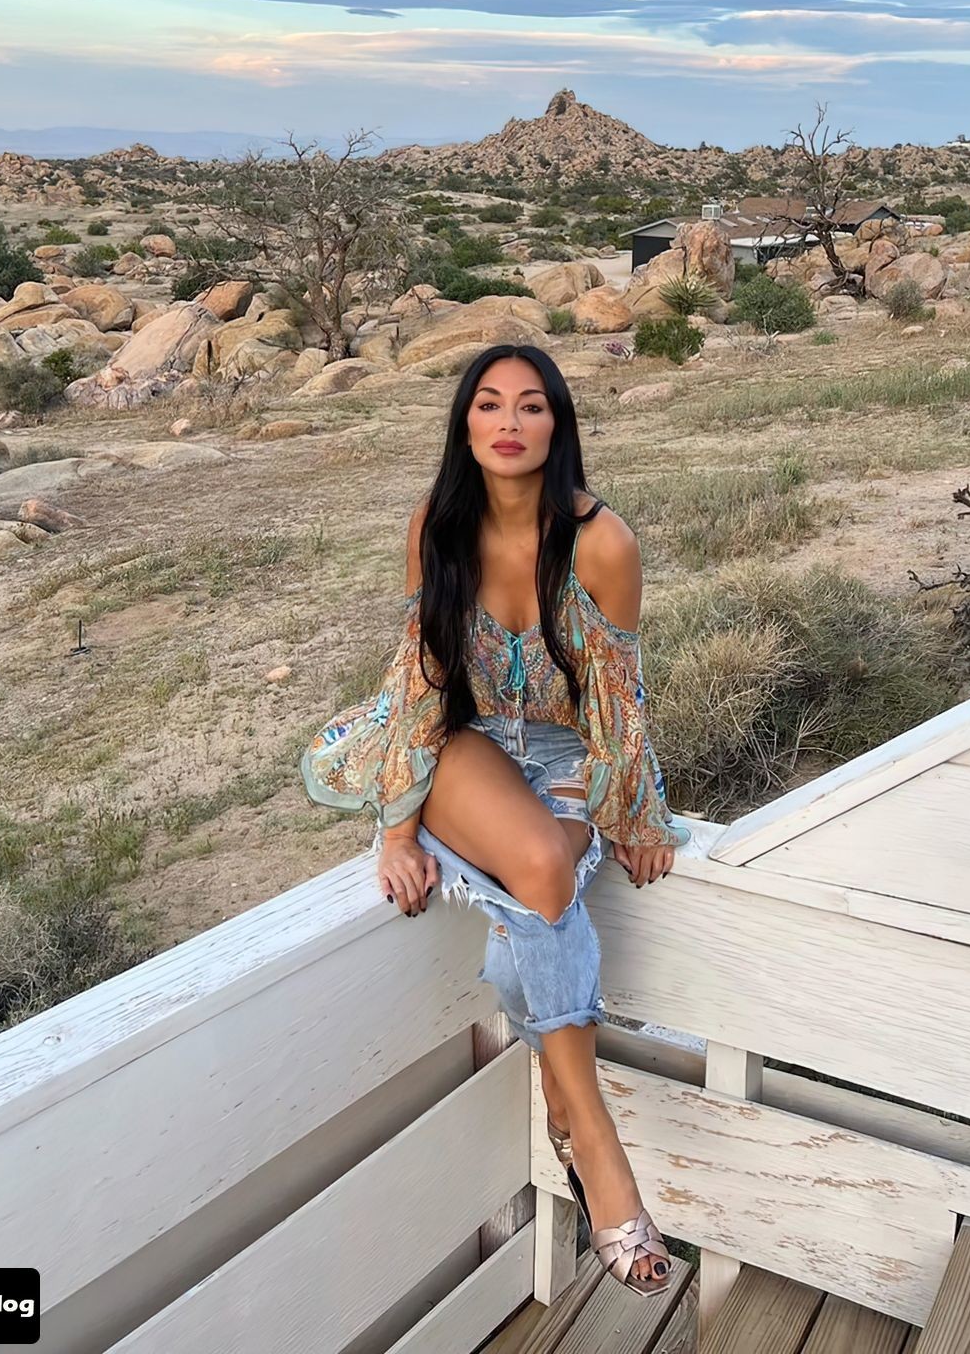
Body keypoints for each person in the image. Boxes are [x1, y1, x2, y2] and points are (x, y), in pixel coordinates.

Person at [301, 340, 689, 1295]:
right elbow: (423, 676)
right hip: (462, 744)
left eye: (530, 405)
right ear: (465, 425)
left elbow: (618, 701)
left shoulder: (602, 542)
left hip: (564, 754)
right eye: (488, 404)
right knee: (546, 870)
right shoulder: (435, 524)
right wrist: (399, 826)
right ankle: (597, 1143)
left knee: (535, 891)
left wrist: (636, 814)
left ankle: (559, 1095)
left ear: (558, 425)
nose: (508, 423)